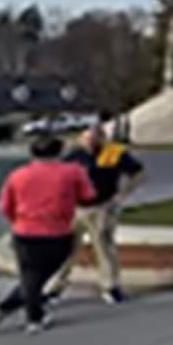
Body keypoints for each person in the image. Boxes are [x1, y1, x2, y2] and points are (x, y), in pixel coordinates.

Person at [0, 135, 94, 334]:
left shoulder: (17, 175)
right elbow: (88, 196)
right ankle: (27, 314)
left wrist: (17, 221)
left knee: (30, 273)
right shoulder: (72, 172)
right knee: (40, 274)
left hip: (24, 230)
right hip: (57, 230)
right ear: (60, 151)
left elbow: (5, 206)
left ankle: (20, 309)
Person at [50, 116, 144, 304]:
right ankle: (54, 288)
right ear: (81, 138)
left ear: (102, 137)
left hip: (103, 207)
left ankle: (110, 287)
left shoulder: (114, 153)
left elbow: (138, 173)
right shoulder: (73, 157)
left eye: (95, 137)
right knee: (66, 249)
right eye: (87, 138)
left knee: (104, 246)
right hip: (76, 209)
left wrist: (121, 196)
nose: (91, 142)